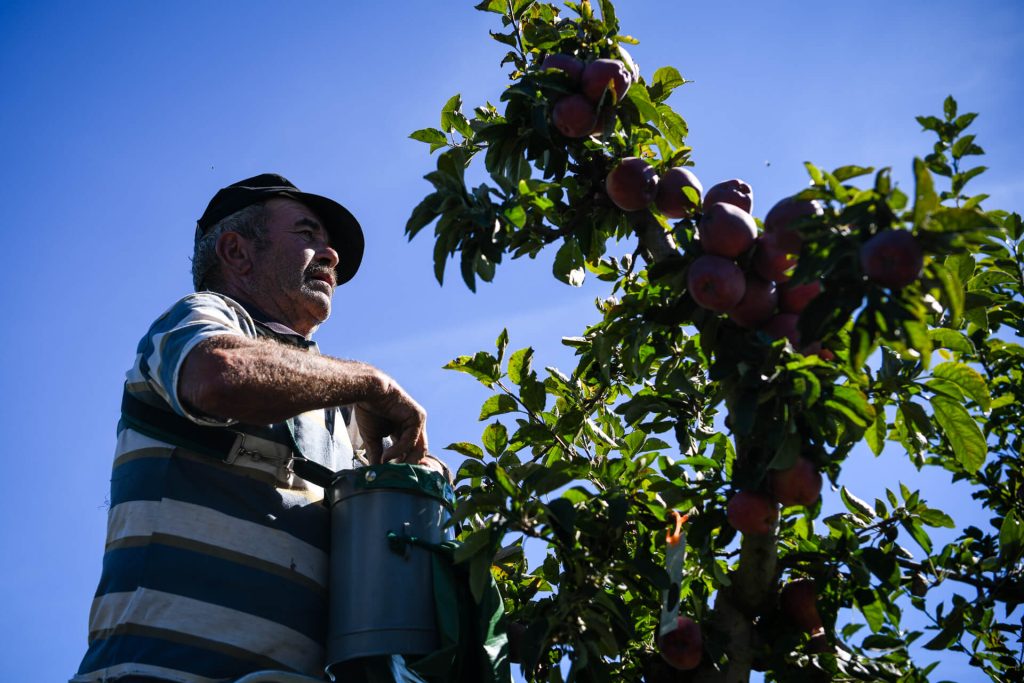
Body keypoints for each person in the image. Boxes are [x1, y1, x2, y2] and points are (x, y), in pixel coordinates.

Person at [73, 174, 444, 683]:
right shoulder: (200, 319)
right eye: (308, 234)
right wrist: (373, 383)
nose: (331, 254)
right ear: (236, 252)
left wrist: (418, 484)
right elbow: (217, 376)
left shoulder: (344, 412)